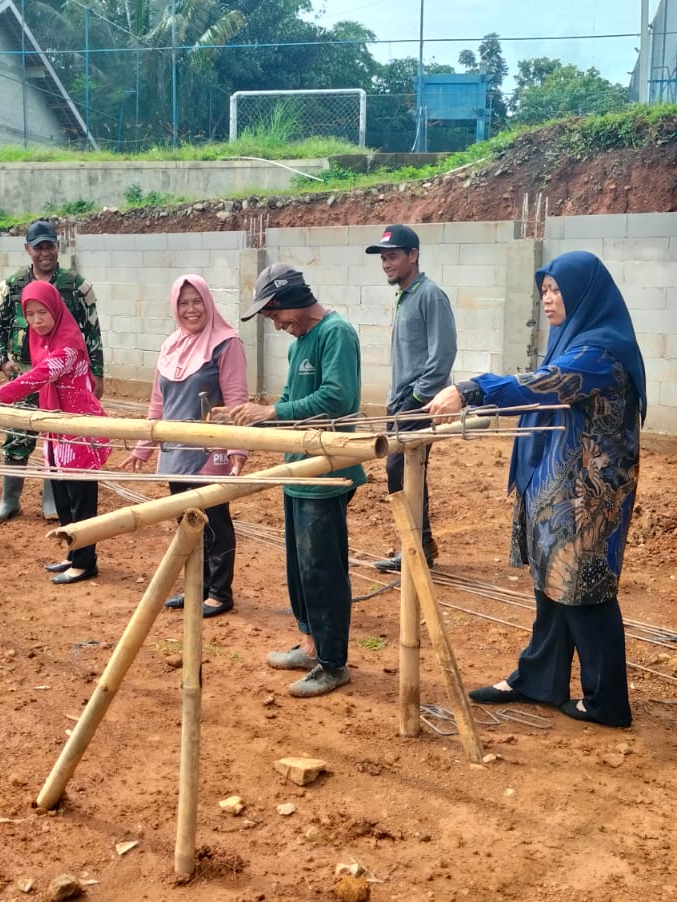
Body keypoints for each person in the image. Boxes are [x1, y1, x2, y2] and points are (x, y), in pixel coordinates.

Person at [425, 251, 644, 729]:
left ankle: (607, 702)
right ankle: (540, 679)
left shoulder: (600, 353)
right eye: (543, 290)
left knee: (586, 593)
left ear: (584, 293)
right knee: (553, 586)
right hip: (557, 486)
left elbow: (543, 386)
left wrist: (473, 389)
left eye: (556, 290)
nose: (547, 299)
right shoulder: (573, 342)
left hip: (588, 497)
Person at [221, 263, 366, 698]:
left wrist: (273, 413)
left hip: (327, 471)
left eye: (273, 316)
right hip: (297, 469)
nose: (276, 325)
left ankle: (333, 662)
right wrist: (250, 419)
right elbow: (289, 401)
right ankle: (310, 644)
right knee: (300, 568)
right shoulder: (300, 344)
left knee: (322, 569)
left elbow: (337, 398)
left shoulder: (336, 333)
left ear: (288, 302)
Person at [117, 274, 249, 618]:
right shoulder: (171, 346)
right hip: (175, 453)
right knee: (186, 523)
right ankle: (196, 588)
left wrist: (238, 451)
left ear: (208, 302)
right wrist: (143, 448)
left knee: (215, 521)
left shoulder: (226, 343)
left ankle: (219, 593)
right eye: (183, 303)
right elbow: (157, 403)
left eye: (197, 301)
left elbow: (237, 399)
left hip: (211, 453)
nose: (191, 309)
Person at [0, 280, 110, 584]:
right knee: (63, 495)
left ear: (56, 309)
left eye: (42, 312)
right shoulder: (41, 340)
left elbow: (41, 375)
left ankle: (85, 562)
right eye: (30, 314)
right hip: (55, 427)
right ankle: (72, 553)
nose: (36, 320)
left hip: (78, 429)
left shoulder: (68, 344)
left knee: (81, 498)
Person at [0, 219, 104, 525]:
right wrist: (3, 361)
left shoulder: (77, 287)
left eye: (49, 246)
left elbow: (92, 332)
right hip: (24, 373)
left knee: (59, 435)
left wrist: (98, 374)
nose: (45, 253)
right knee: (17, 436)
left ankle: (52, 499)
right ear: (28, 250)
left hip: (64, 377)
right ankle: (9, 500)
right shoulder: (11, 286)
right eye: (38, 247)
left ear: (58, 247)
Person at [364, 224, 457, 572]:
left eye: (393, 257)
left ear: (413, 256)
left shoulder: (430, 295)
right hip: (401, 400)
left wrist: (417, 397)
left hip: (418, 401)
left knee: (399, 468)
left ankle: (416, 547)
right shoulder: (406, 295)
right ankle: (419, 545)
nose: (387, 264)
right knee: (407, 471)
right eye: (384, 258)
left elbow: (443, 353)